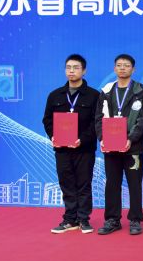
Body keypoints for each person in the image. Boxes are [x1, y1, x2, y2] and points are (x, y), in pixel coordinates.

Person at [43, 54, 100, 234]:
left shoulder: (94, 95)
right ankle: (69, 219)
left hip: (84, 149)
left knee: (84, 184)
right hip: (62, 149)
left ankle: (83, 219)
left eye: (76, 68)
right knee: (66, 183)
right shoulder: (55, 95)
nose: (71, 71)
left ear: (84, 71)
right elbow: (47, 120)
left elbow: (96, 123)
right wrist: (53, 135)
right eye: (68, 67)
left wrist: (82, 139)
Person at [95, 54, 143, 236]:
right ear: (114, 68)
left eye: (126, 65)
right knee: (112, 183)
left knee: (135, 183)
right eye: (119, 65)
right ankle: (112, 219)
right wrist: (102, 138)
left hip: (133, 147)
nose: (122, 68)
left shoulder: (141, 91)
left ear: (133, 69)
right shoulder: (106, 91)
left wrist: (131, 139)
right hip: (111, 146)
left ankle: (135, 219)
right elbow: (99, 118)